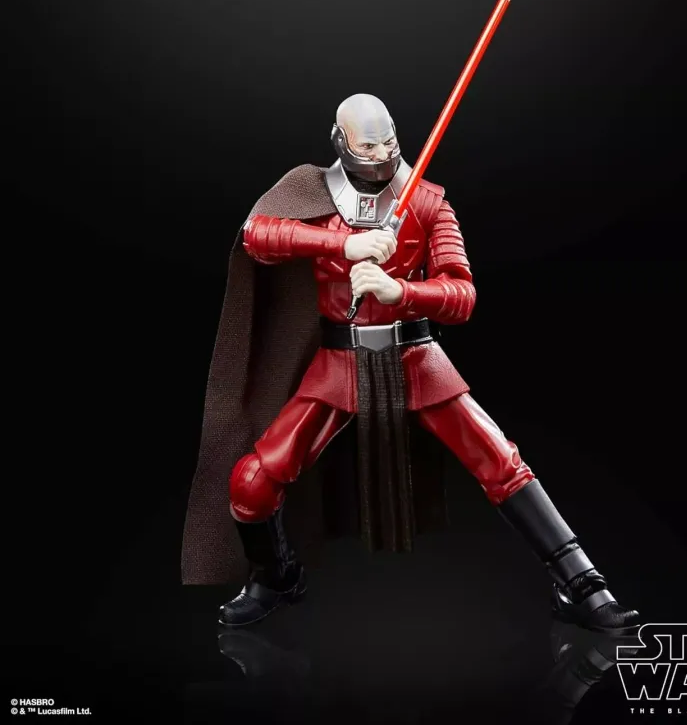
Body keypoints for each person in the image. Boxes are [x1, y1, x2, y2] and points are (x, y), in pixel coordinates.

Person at [180, 93, 639, 635]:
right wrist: (340, 244)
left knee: (502, 462)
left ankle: (580, 583)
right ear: (341, 143)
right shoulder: (312, 190)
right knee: (253, 481)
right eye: (368, 146)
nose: (382, 155)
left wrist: (402, 291)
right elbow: (257, 236)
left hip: (416, 357)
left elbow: (461, 295)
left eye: (389, 142)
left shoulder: (426, 201)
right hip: (339, 362)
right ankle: (274, 576)